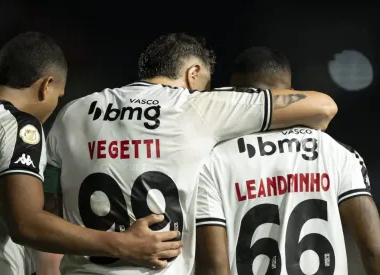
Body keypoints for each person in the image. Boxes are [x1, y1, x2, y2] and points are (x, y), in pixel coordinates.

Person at [43, 34, 338, 274]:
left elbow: (48, 210)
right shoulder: (198, 107)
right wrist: (229, 96)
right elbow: (323, 107)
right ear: (193, 73)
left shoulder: (73, 112)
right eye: (205, 84)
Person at [0, 32, 183, 275]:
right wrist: (121, 244)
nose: (56, 105)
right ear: (46, 86)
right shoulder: (18, 126)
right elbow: (26, 224)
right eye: (59, 96)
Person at [195, 47, 380, 275]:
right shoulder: (337, 152)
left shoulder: (213, 161)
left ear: (236, 95)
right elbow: (374, 249)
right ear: (293, 94)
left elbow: (213, 267)